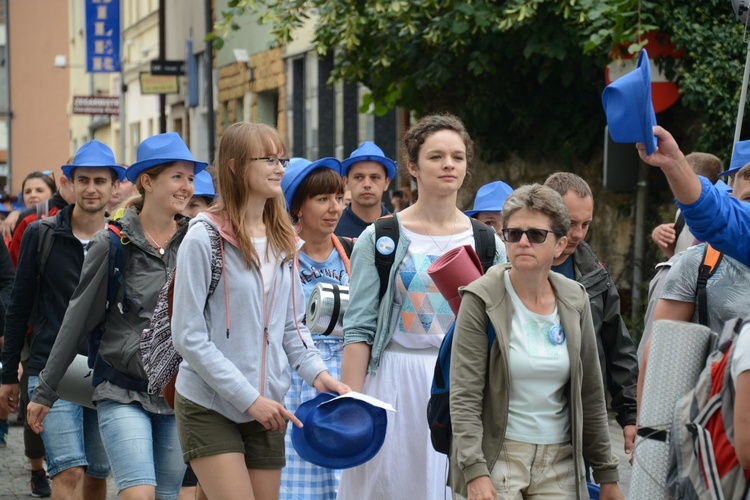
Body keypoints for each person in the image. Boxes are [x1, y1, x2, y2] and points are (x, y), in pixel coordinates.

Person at [170, 122, 349, 500]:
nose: (279, 168)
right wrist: (248, 398)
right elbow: (187, 336)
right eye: (267, 159)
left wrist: (319, 375)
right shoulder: (202, 237)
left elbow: (291, 326)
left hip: (268, 406)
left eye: (281, 158)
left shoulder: (283, 235)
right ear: (235, 167)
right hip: (210, 402)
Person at [27, 132, 207, 500]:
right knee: (138, 492)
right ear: (147, 181)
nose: (187, 186)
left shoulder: (197, 242)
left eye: (190, 178)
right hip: (120, 389)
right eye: (177, 176)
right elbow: (75, 322)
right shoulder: (111, 243)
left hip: (178, 393)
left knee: (167, 496)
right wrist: (45, 390)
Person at [338, 114, 506, 499]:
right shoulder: (380, 237)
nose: (449, 164)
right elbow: (360, 329)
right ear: (412, 166)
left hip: (460, 385)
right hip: (393, 384)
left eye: (457, 157)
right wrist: (351, 406)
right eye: (436, 157)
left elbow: (501, 327)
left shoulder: (487, 242)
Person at [450, 183, 622, 500]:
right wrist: (474, 470)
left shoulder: (575, 299)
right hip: (500, 457)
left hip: (561, 462)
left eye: (536, 234)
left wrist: (607, 474)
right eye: (513, 234)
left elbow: (591, 394)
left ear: (559, 244)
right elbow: (465, 396)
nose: (523, 242)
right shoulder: (481, 297)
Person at [0, 141, 125, 500]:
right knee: (68, 468)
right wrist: (10, 375)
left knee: (98, 473)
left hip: (105, 371)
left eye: (100, 181)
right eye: (82, 179)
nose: (91, 188)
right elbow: (18, 308)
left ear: (114, 187)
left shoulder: (123, 240)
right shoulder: (42, 235)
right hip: (51, 367)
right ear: (67, 184)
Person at [544, 172, 638, 495]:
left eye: (586, 224)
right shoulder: (512, 260)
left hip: (579, 418)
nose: (578, 234)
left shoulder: (593, 270)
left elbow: (617, 346)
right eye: (571, 223)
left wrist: (629, 413)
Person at [637, 166, 750, 403]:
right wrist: (647, 433)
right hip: (709, 423)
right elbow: (658, 354)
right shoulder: (697, 262)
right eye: (747, 201)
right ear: (732, 200)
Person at [279, 156, 350, 499]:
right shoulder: (278, 255)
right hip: (292, 378)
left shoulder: (355, 252)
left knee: (342, 478)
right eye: (322, 199)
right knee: (294, 480)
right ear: (297, 207)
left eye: (338, 198)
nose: (334, 208)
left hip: (344, 374)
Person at [637, 126, 750, 267]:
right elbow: (688, 265)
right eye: (732, 177)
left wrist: (674, 163)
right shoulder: (715, 216)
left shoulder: (719, 216)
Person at [650, 152, 723, 258]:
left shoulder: (722, 219)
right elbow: (680, 261)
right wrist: (662, 238)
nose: (674, 184)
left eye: (679, 178)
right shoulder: (682, 212)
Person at [334, 141, 397, 238]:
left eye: (375, 177)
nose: (367, 184)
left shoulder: (400, 230)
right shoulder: (331, 230)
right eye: (359, 177)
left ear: (386, 183)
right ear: (346, 182)